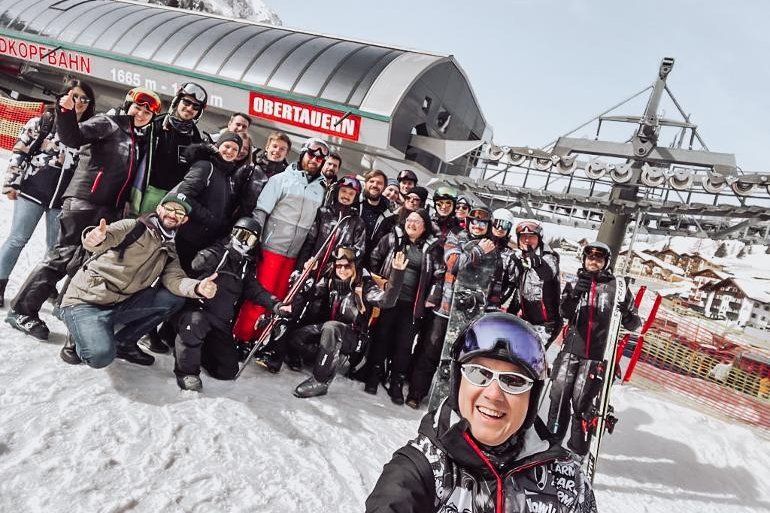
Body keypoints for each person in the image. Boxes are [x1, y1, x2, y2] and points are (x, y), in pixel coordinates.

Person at [365, 312, 597, 513]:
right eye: (479, 373)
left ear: (532, 397)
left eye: (514, 381)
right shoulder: (420, 470)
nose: (493, 394)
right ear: (458, 383)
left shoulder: (568, 482)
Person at [6, 87, 161, 340]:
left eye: (147, 111)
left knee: (81, 261)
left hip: (105, 207)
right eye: (137, 107)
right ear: (127, 105)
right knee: (62, 256)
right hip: (84, 200)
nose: (141, 113)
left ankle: (63, 306)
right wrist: (65, 112)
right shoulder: (108, 123)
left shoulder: (136, 137)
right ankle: (21, 310)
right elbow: (73, 137)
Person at [57, 193, 217, 369]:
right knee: (100, 356)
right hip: (88, 300)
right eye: (170, 208)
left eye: (179, 213)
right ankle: (78, 331)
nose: (173, 215)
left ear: (184, 220)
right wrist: (93, 237)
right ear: (159, 209)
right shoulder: (133, 227)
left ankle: (124, 343)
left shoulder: (169, 249)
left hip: (121, 302)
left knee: (173, 299)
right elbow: (105, 236)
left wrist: (197, 287)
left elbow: (175, 279)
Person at [0, 79, 95, 308]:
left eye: (84, 98)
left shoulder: (88, 132)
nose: (79, 102)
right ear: (63, 97)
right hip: (33, 191)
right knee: (17, 239)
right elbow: (20, 151)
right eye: (74, 96)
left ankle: (42, 288)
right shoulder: (44, 121)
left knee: (55, 248)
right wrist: (12, 182)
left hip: (62, 201)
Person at [547, 241, 641, 456]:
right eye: (590, 257)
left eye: (599, 258)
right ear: (584, 259)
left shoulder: (618, 287)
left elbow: (635, 324)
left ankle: (577, 452)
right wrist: (573, 295)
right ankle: (551, 446)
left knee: (582, 406)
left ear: (606, 262)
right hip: (571, 352)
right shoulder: (575, 283)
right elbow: (564, 312)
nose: (594, 261)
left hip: (596, 357)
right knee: (558, 399)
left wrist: (627, 314)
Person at [232, 137, 328, 343]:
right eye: (311, 154)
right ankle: (241, 336)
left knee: (280, 299)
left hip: (294, 253)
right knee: (261, 296)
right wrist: (256, 241)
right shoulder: (281, 180)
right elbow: (261, 210)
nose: (314, 160)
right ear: (303, 154)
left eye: (320, 158)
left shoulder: (321, 189)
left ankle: (260, 339)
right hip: (271, 247)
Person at [173, 217, 286, 391]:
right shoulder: (216, 253)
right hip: (198, 312)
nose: (243, 242)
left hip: (220, 322)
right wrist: (207, 266)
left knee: (227, 370)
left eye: (250, 239)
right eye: (240, 235)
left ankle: (195, 352)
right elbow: (193, 267)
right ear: (232, 234)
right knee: (195, 323)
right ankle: (186, 371)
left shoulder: (244, 266)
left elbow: (256, 290)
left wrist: (276, 305)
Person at [407, 206, 499, 409]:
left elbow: (495, 283)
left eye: (482, 222)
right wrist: (478, 251)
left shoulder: (494, 249)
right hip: (446, 307)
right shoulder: (456, 238)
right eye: (473, 221)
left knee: (459, 359)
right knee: (431, 350)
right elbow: (454, 263)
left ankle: (448, 401)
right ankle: (417, 392)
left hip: (470, 314)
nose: (477, 225)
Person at [290, 247, 408, 398]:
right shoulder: (331, 280)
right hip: (329, 331)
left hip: (353, 337)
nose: (342, 270)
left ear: (356, 266)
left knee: (332, 327)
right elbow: (311, 293)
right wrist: (309, 273)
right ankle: (323, 358)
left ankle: (320, 380)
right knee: (297, 338)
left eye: (347, 266)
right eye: (339, 266)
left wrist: (397, 275)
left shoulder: (365, 285)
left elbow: (387, 301)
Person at [366, 209, 444, 402]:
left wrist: (432, 297)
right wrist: (377, 284)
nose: (412, 224)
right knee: (381, 336)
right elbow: (374, 258)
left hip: (412, 304)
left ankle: (396, 381)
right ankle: (373, 375)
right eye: (409, 220)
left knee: (404, 344)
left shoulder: (432, 248)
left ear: (425, 226)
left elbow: (439, 275)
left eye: (417, 221)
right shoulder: (393, 238)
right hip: (388, 299)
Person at [128, 82, 208, 216]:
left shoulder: (196, 139)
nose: (189, 108)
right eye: (186, 102)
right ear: (177, 101)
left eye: (195, 106)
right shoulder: (155, 125)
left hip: (173, 200)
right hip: (146, 192)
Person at [171, 131, 244, 271]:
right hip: (186, 236)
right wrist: (208, 217)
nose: (230, 151)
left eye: (235, 149)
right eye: (227, 146)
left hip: (203, 240)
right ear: (218, 146)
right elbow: (182, 196)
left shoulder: (226, 175)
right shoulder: (205, 166)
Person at [511, 219, 562, 345]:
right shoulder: (520, 258)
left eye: (531, 237)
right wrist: (510, 314)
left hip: (546, 324)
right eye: (523, 237)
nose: (527, 240)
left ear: (539, 238)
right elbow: (519, 292)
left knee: (530, 358)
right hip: (526, 320)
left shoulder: (549, 257)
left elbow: (548, 274)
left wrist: (537, 262)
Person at [234, 131, 291, 217]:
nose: (277, 150)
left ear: (286, 153)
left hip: (266, 227)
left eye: (282, 149)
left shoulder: (287, 180)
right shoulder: (249, 170)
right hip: (239, 223)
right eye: (274, 146)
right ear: (267, 147)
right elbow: (231, 198)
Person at [358, 169, 393, 263]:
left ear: (384, 187)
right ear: (365, 183)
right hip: (345, 259)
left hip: (368, 263)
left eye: (379, 183)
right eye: (371, 181)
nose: (375, 185)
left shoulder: (389, 215)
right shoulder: (354, 203)